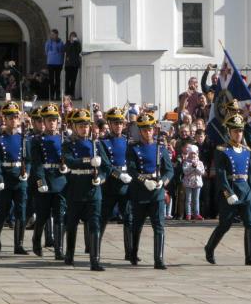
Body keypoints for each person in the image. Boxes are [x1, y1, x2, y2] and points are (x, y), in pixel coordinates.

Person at [204, 113, 251, 266]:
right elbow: (221, 174)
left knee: (250, 224)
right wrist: (228, 193)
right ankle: (209, 247)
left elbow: (250, 174)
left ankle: (250, 256)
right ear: (229, 132)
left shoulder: (246, 150)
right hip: (230, 191)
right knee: (225, 224)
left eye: (240, 131)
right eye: (235, 131)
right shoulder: (222, 150)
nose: (238, 134)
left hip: (245, 191)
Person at [62, 108, 110, 270]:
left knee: (95, 224)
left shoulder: (96, 144)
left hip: (93, 190)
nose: (84, 129)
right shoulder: (68, 144)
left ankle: (95, 260)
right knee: (71, 224)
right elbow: (69, 161)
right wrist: (89, 161)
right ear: (74, 127)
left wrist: (101, 178)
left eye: (86, 126)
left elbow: (107, 167)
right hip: (76, 188)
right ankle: (69, 254)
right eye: (80, 126)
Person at [126, 112, 174, 269]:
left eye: (150, 129)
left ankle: (158, 259)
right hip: (140, 191)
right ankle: (133, 253)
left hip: (156, 192)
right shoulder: (133, 148)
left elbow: (169, 170)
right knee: (137, 226)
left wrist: (162, 182)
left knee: (159, 226)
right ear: (140, 131)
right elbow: (132, 170)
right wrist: (144, 181)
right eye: (144, 130)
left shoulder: (160, 148)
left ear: (154, 130)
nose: (148, 132)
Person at [30, 103, 68, 259]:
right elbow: (37, 163)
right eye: (48, 120)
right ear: (43, 122)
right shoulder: (37, 140)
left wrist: (66, 167)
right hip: (45, 178)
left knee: (60, 216)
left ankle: (59, 249)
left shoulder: (64, 139)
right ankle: (36, 240)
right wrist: (41, 181)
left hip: (60, 179)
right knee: (43, 216)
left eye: (54, 120)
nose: (52, 123)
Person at [0, 101, 31, 255]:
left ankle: (19, 244)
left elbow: (28, 159)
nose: (13, 120)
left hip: (19, 177)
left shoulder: (23, 138)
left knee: (21, 211)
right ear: (5, 119)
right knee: (3, 210)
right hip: (5, 177)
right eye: (10, 117)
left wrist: (26, 171)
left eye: (15, 117)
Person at [99, 107, 134, 260]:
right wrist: (119, 175)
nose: (118, 126)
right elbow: (106, 165)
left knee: (129, 218)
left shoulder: (128, 141)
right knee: (102, 219)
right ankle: (95, 249)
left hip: (126, 185)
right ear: (110, 124)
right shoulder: (104, 142)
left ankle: (130, 252)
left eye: (120, 123)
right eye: (115, 123)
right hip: (111, 184)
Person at [182, 145, 205, 220]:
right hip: (188, 183)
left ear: (197, 153)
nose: (193, 155)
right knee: (188, 199)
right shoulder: (186, 162)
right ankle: (188, 214)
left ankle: (196, 214)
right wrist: (192, 167)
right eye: (191, 153)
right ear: (189, 153)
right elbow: (185, 172)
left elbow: (202, 172)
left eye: (194, 153)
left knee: (196, 199)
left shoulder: (200, 162)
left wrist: (196, 167)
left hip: (197, 183)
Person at [45, 29, 65, 98]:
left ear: (57, 35)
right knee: (51, 79)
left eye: (53, 34)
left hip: (58, 63)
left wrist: (57, 44)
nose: (52, 36)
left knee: (57, 79)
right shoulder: (48, 42)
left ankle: (57, 95)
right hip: (50, 63)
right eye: (51, 34)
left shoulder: (60, 42)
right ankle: (52, 94)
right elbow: (46, 51)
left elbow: (61, 51)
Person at [64, 32, 81, 97]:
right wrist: (71, 43)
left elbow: (78, 50)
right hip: (68, 65)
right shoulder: (67, 43)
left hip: (75, 64)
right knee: (67, 80)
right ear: (69, 37)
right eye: (72, 36)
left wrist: (75, 43)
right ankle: (67, 93)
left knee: (73, 80)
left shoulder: (77, 43)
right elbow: (66, 50)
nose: (73, 38)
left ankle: (72, 94)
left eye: (74, 36)